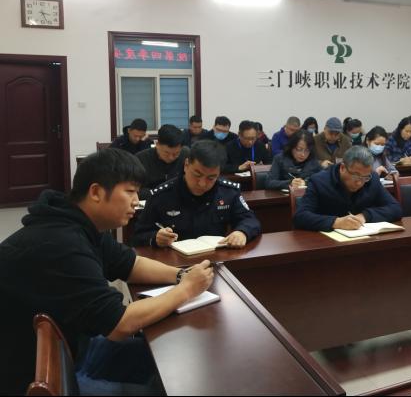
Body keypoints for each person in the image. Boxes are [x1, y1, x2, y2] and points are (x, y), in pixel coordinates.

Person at [0, 148, 214, 395]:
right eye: (130, 191)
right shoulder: (61, 243)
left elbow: (130, 264)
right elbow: (119, 324)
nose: (136, 201)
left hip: (74, 346)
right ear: (96, 192)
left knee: (169, 355)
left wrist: (180, 276)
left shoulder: (79, 223)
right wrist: (186, 290)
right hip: (41, 374)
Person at [133, 140, 261, 248]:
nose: (202, 184)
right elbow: (138, 234)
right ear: (186, 165)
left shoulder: (228, 192)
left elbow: (250, 220)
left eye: (211, 178)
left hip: (215, 258)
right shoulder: (162, 194)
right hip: (174, 262)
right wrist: (155, 238)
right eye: (197, 175)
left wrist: (242, 232)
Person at [294, 146, 403, 232]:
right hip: (327, 243)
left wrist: (364, 216)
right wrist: (336, 222)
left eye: (365, 177)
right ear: (342, 168)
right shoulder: (319, 181)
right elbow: (300, 217)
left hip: (363, 240)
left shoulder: (372, 179)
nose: (360, 182)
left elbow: (395, 208)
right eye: (355, 175)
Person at [135, 124, 189, 199]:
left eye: (176, 154)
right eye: (166, 153)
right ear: (157, 144)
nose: (171, 157)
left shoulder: (186, 155)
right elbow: (134, 189)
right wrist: (157, 193)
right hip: (149, 200)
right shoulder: (140, 159)